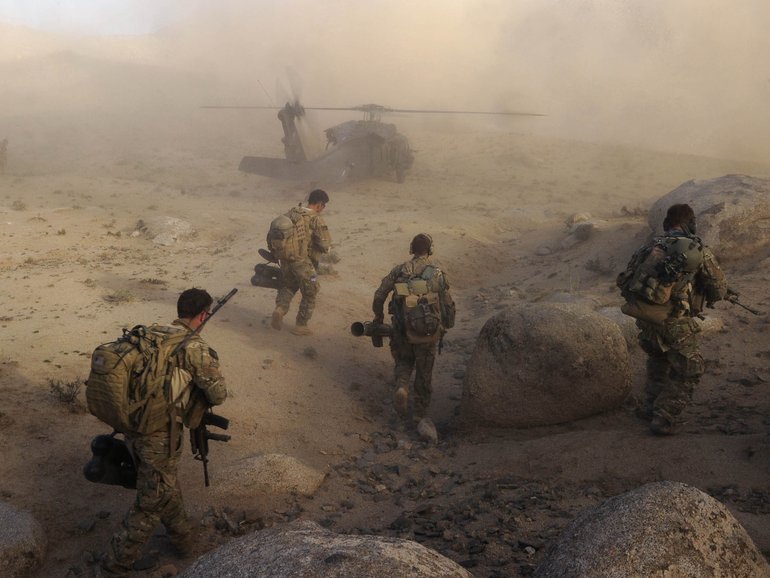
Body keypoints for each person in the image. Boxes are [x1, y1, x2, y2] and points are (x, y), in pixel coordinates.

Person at [99, 288, 227, 576]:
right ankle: (113, 565)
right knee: (151, 500)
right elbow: (218, 394)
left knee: (163, 482)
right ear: (203, 314)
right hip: (159, 433)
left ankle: (184, 540)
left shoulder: (154, 332)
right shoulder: (193, 346)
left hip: (133, 423)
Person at [618, 204, 727, 435]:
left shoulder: (649, 246)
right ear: (690, 223)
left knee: (659, 359)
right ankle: (665, 415)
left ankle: (650, 407)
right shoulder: (697, 250)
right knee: (691, 368)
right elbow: (717, 289)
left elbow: (628, 279)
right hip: (674, 320)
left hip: (646, 319)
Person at [372, 234, 455, 425]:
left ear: (411, 249)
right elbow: (447, 303)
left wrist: (378, 316)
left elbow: (380, 295)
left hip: (402, 329)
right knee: (424, 373)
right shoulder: (437, 273)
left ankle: (402, 386)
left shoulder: (400, 271)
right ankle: (419, 413)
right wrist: (446, 325)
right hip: (427, 332)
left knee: (403, 361)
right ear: (430, 250)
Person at [270, 188, 332, 336]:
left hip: (285, 261)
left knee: (289, 286)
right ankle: (301, 325)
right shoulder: (315, 218)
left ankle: (280, 309)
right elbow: (325, 245)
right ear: (319, 204)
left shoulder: (290, 213)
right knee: (311, 290)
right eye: (323, 206)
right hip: (303, 263)